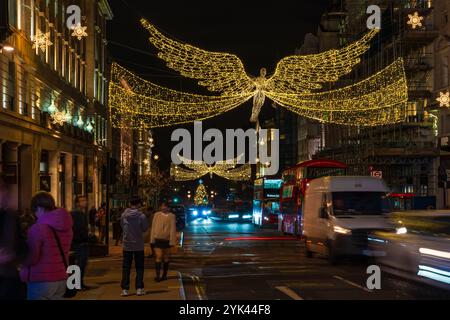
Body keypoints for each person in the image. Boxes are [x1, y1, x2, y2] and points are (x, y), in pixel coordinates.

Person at [20, 192, 73, 300]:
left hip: (40, 279)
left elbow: (32, 257)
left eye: (34, 211)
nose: (35, 215)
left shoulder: (38, 228)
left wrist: (21, 260)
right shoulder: (67, 228)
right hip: (61, 278)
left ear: (39, 208)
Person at [0, 175, 28, 300]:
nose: (3, 193)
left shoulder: (11, 216)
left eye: (3, 189)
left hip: (10, 280)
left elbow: (21, 246)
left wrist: (15, 256)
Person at [120, 196, 149, 297]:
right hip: (138, 244)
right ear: (138, 204)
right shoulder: (141, 216)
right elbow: (145, 228)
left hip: (127, 244)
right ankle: (139, 288)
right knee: (139, 267)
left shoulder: (124, 215)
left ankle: (125, 289)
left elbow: (122, 226)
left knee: (126, 267)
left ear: (130, 204)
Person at [150, 202, 177, 282]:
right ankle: (158, 276)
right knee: (158, 256)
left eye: (165, 206)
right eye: (162, 206)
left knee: (166, 257)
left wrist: (172, 241)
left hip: (167, 240)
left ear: (169, 208)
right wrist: (152, 239)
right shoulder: (156, 215)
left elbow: (173, 229)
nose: (164, 208)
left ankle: (164, 275)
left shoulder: (172, 216)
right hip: (157, 239)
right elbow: (153, 227)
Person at [71, 195, 89, 289]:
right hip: (78, 243)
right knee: (79, 264)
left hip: (81, 242)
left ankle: (79, 284)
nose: (85, 202)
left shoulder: (82, 213)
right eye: (82, 201)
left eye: (85, 200)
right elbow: (76, 229)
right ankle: (77, 285)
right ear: (77, 203)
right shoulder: (75, 214)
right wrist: (81, 238)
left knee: (81, 264)